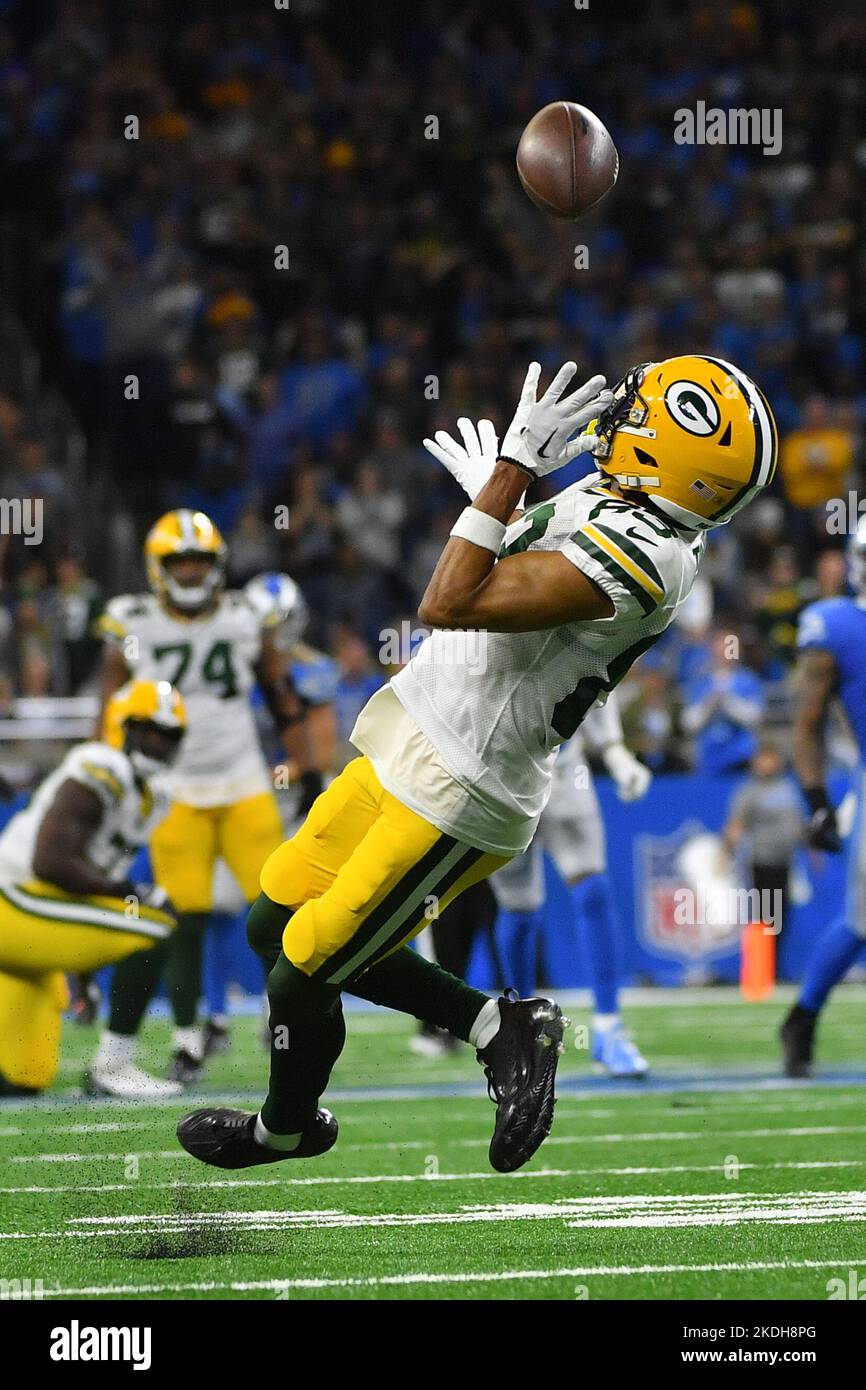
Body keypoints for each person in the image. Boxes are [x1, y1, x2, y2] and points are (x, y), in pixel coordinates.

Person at [176, 354, 777, 1175]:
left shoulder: (653, 556)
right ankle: (500, 1026)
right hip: (415, 732)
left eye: (646, 412)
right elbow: (503, 570)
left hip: (462, 787)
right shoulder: (624, 503)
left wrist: (508, 477)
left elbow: (450, 602)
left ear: (678, 451)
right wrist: (503, 497)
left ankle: (281, 1130)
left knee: (300, 975)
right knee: (270, 924)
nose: (623, 414)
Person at [91, 511, 324, 1091]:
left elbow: (280, 693)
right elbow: (109, 706)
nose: (191, 573)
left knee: (278, 909)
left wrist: (303, 763)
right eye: (180, 563)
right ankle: (189, 1040)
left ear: (217, 567)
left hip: (245, 779)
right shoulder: (131, 621)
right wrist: (111, 776)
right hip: (176, 790)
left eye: (199, 562)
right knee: (186, 917)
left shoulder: (246, 618)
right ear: (158, 568)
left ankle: (285, 1026)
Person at [0, 680, 185, 1096]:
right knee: (154, 922)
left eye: (169, 736)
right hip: (14, 899)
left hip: (33, 918)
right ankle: (113, 1067)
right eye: (150, 731)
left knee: (24, 1078)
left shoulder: (154, 796)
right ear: (124, 727)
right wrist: (130, 892)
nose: (158, 744)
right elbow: (49, 862)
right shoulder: (101, 765)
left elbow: (86, 889)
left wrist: (80, 969)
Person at [490, 692, 652, 1077]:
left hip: (565, 766)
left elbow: (600, 665)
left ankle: (609, 1028)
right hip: (500, 766)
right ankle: (520, 1031)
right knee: (519, 908)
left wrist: (613, 748)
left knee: (593, 888)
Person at [780, 516, 866, 1075]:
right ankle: (804, 1014)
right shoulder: (835, 625)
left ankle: (803, 1015)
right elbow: (807, 723)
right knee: (862, 922)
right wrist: (816, 800)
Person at [722, 742, 805, 968]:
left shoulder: (788, 788)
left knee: (781, 916)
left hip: (785, 861)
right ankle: (760, 967)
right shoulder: (750, 791)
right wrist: (726, 850)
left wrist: (811, 848)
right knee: (764, 916)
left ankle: (773, 965)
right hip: (761, 860)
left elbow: (796, 823)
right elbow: (736, 824)